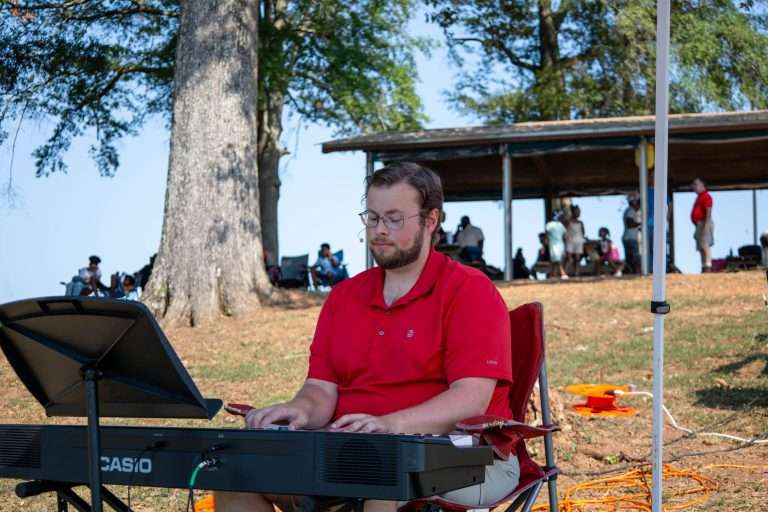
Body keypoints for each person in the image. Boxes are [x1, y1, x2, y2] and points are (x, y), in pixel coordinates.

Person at [216, 162, 518, 512]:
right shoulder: (344, 297)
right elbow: (320, 390)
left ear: (430, 221)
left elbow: (470, 400)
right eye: (372, 218)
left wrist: (389, 425)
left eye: (394, 218)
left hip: (464, 456)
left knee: (383, 484)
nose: (379, 230)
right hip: (351, 453)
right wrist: (296, 411)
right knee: (232, 478)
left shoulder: (469, 290)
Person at [691, 178, 714, 272]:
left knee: (705, 244)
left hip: (704, 222)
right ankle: (704, 265)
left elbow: (708, 210)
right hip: (699, 224)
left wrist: (706, 225)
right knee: (701, 246)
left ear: (702, 186)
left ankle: (708, 265)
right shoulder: (699, 197)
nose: (693, 187)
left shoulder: (706, 196)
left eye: (696, 184)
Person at [622, 192, 642, 273]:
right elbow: (630, 224)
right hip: (631, 238)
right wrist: (641, 223)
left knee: (631, 258)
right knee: (635, 257)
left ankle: (631, 272)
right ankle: (635, 272)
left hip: (631, 237)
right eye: (639, 201)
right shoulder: (630, 211)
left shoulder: (633, 211)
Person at [545, 211, 568, 279]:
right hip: (556, 244)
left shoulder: (550, 225)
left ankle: (553, 275)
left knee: (555, 260)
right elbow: (565, 235)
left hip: (555, 244)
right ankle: (563, 273)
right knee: (557, 259)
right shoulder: (560, 225)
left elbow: (547, 234)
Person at [565, 205, 586, 276]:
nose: (578, 213)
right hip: (570, 241)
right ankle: (565, 273)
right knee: (570, 258)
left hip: (579, 241)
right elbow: (566, 232)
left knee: (577, 258)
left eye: (579, 211)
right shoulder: (569, 222)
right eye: (577, 211)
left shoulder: (581, 223)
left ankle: (577, 272)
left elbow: (583, 232)